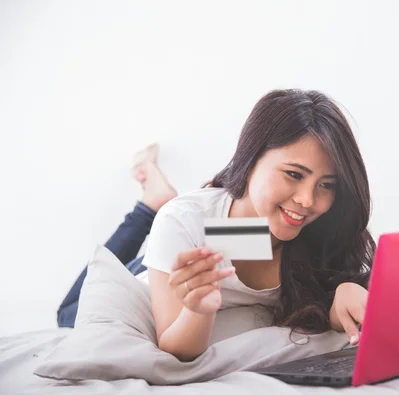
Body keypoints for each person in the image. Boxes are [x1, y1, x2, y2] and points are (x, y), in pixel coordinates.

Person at [58, 89, 376, 362]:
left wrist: (343, 294)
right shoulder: (189, 221)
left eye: (326, 185)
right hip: (150, 279)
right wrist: (198, 310)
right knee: (68, 311)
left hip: (215, 230)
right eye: (294, 174)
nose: (308, 199)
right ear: (250, 160)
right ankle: (150, 205)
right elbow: (174, 346)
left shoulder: (305, 231)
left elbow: (294, 279)